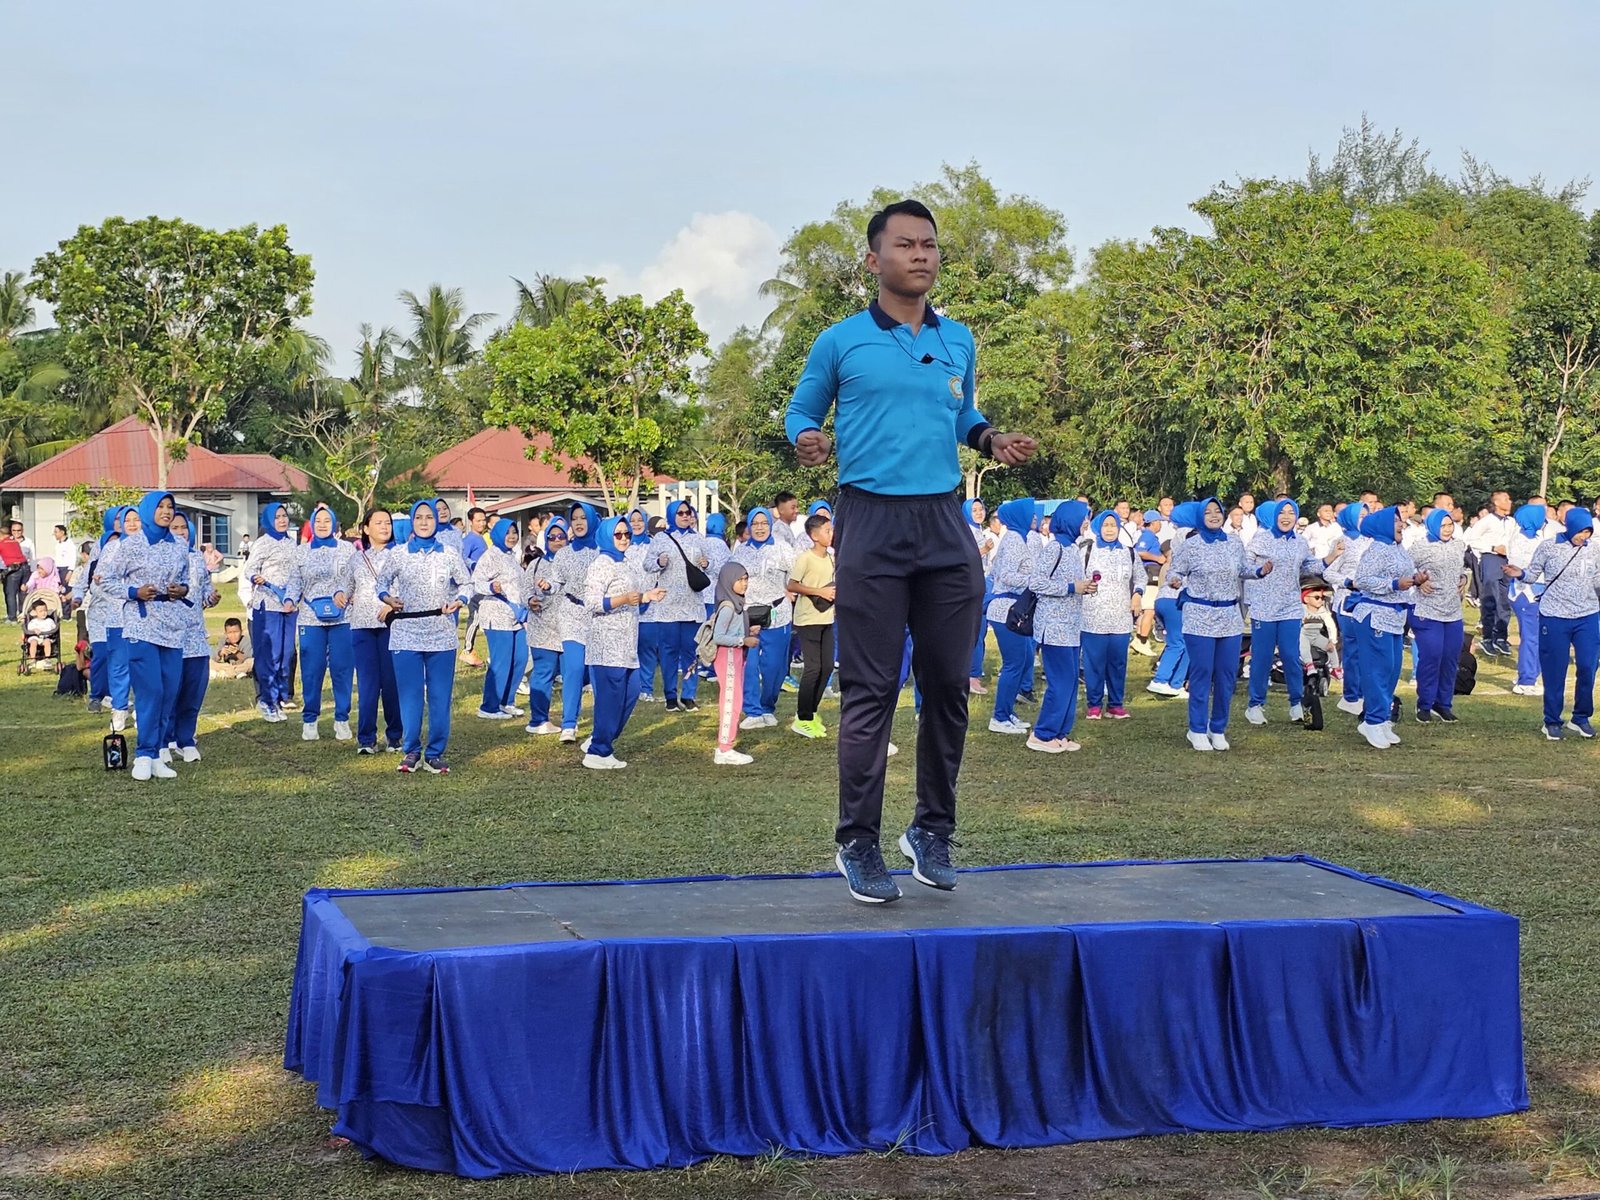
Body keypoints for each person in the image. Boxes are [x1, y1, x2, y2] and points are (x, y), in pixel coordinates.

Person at [785, 198, 1037, 903]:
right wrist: (807, 437)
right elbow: (802, 409)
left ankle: (931, 830)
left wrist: (991, 439)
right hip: (870, 519)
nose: (921, 254)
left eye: (929, 244)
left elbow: (963, 413)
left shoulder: (959, 339)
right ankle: (858, 842)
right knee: (871, 689)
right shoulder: (840, 341)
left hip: (944, 520)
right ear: (874, 260)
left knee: (950, 684)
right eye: (905, 244)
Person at [377, 499, 473, 774]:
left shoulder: (449, 553)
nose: (423, 522)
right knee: (411, 696)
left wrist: (460, 600)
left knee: (440, 697)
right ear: (411, 521)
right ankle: (411, 751)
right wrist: (388, 598)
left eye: (428, 517)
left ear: (436, 521)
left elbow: (467, 582)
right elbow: (381, 582)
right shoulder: (399, 553)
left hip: (440, 632)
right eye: (418, 517)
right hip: (406, 632)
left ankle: (434, 753)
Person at [1167, 498, 1270, 752]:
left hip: (1229, 617)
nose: (1214, 515)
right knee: (1202, 672)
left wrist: (1259, 571)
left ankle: (1218, 727)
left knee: (1226, 675)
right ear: (1200, 517)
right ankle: (1197, 728)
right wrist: (1175, 581)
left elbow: (1243, 569)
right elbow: (1174, 571)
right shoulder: (1191, 544)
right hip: (1199, 616)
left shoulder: (1234, 543)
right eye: (1208, 512)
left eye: (1217, 511)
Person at [115, 491, 192, 781]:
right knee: (151, 690)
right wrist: (133, 592)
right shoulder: (130, 544)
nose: (166, 511)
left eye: (170, 506)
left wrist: (182, 590)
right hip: (141, 622)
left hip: (172, 624)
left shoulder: (180, 545)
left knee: (169, 691)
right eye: (160, 506)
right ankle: (143, 754)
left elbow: (187, 580)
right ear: (148, 510)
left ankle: (158, 752)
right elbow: (104, 580)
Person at [1505, 507, 1599, 740]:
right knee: (1555, 670)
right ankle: (1552, 720)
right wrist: (1519, 574)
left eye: (1588, 532)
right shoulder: (1549, 546)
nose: (1583, 536)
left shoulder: (1594, 549)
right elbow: (1532, 574)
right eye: (1580, 531)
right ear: (1570, 527)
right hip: (1555, 615)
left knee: (1588, 666)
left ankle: (1581, 717)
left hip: (1587, 616)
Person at [580, 515, 664, 769]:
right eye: (618, 534)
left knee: (631, 692)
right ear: (607, 536)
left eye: (627, 534)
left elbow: (632, 597)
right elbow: (592, 603)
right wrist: (623, 599)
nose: (624, 538)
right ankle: (598, 752)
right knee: (611, 698)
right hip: (607, 644)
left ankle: (600, 738)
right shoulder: (601, 564)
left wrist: (646, 596)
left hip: (627, 643)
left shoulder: (625, 562)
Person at [1244, 499, 1338, 725]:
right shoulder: (1261, 538)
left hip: (1290, 607)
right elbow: (1244, 566)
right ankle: (1255, 705)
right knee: (1263, 657)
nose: (1286, 517)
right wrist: (1259, 570)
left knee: (1291, 655)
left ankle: (1297, 703)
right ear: (1275, 515)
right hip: (1264, 607)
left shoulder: (1300, 541)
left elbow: (1308, 567)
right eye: (1282, 512)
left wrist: (1331, 557)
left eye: (1291, 512)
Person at [1348, 506, 1425, 750]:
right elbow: (1363, 580)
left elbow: (1405, 575)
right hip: (1375, 615)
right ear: (1382, 525)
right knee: (1377, 671)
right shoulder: (1376, 549)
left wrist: (1416, 579)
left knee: (1391, 670)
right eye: (1395, 521)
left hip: (1395, 616)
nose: (1401, 524)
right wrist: (1393, 584)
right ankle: (1372, 720)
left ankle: (1381, 718)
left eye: (1400, 521)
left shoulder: (1398, 548)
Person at [1026, 500, 1091, 752]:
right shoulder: (1055, 547)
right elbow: (1036, 582)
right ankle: (1042, 734)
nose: (1085, 522)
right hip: (1054, 627)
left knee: (1071, 681)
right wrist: (1072, 587)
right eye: (1082, 517)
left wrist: (1084, 587)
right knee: (1060, 682)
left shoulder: (1073, 548)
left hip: (1071, 626)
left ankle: (1060, 732)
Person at [294, 503, 357, 742]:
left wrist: (348, 594)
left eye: (327, 521)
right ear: (312, 524)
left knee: (342, 668)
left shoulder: (347, 549)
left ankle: (342, 719)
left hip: (343, 617)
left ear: (334, 524)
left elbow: (354, 578)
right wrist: (289, 598)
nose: (322, 525)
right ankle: (310, 720)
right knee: (312, 669)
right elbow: (294, 580)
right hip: (310, 618)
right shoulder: (301, 551)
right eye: (318, 521)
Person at [161, 511, 218, 762]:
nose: (180, 531)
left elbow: (204, 593)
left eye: (183, 527)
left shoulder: (197, 558)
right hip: (168, 635)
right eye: (174, 527)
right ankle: (164, 740)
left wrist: (212, 598)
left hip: (195, 635)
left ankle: (186, 739)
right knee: (169, 690)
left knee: (194, 689)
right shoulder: (159, 556)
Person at [648, 500, 713, 712]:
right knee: (668, 652)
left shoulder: (699, 538)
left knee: (691, 651)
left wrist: (707, 564)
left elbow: (712, 565)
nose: (685, 516)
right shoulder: (661, 538)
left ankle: (688, 694)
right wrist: (659, 562)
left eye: (688, 512)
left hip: (692, 605)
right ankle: (670, 695)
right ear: (671, 516)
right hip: (668, 606)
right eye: (680, 513)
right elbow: (647, 564)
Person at [734, 506, 795, 728]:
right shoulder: (740, 551)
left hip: (777, 614)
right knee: (750, 665)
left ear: (770, 524)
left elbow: (794, 577)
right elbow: (732, 580)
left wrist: (790, 592)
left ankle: (768, 706)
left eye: (764, 523)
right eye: (755, 524)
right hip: (749, 615)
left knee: (774, 666)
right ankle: (752, 711)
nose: (760, 528)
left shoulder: (783, 548)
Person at [347, 509, 402, 753]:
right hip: (362, 627)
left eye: (387, 522)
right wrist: (340, 594)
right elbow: (346, 586)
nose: (384, 527)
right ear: (366, 528)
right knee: (367, 684)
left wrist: (391, 605)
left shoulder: (401, 555)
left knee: (391, 682)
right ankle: (366, 739)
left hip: (392, 626)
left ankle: (395, 736)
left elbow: (408, 587)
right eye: (378, 523)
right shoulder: (356, 559)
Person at [1410, 509, 1469, 723]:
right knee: (1431, 656)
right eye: (1442, 526)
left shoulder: (1458, 545)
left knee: (1450, 658)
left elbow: (1460, 570)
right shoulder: (1420, 546)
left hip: (1452, 610)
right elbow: (1403, 569)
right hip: (1427, 609)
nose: (1447, 529)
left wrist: (1463, 579)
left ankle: (1443, 704)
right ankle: (1424, 703)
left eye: (1450, 525)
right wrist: (1418, 580)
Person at [1081, 510, 1141, 720]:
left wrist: (1137, 594)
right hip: (1093, 617)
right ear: (1098, 527)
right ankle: (1094, 704)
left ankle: (1115, 704)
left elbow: (1140, 577)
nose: (1109, 529)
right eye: (1105, 525)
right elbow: (1075, 576)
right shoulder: (1087, 550)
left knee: (1118, 663)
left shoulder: (1128, 552)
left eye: (1113, 525)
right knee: (1094, 663)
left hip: (1120, 617)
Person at [984, 498, 1037, 735]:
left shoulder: (1016, 538)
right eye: (1031, 514)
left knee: (1023, 659)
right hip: (1007, 610)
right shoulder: (1015, 539)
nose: (1035, 518)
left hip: (1011, 608)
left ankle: (1007, 711)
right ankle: (1000, 717)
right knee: (1014, 663)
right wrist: (1035, 582)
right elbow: (1005, 575)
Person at [245, 503, 299, 722]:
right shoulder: (263, 542)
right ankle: (268, 700)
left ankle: (280, 697)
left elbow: (297, 573)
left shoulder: (292, 543)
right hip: (268, 604)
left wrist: (292, 597)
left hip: (289, 605)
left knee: (287, 654)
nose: (282, 520)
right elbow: (249, 569)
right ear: (268, 520)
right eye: (277, 517)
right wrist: (256, 578)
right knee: (271, 654)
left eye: (284, 516)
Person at [552, 502, 601, 742]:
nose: (579, 522)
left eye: (583, 517)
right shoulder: (564, 553)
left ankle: (601, 725)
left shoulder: (604, 551)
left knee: (597, 671)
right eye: (575, 518)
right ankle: (569, 724)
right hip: (571, 613)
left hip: (598, 616)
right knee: (573, 669)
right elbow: (555, 582)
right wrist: (546, 587)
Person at [472, 518, 529, 720]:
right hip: (496, 615)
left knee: (520, 658)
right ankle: (489, 706)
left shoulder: (512, 556)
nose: (512, 536)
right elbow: (475, 582)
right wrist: (491, 587)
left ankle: (506, 701)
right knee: (501, 662)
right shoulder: (490, 556)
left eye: (514, 532)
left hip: (516, 617)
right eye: (507, 533)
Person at [788, 511, 837, 737]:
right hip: (808, 620)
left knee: (827, 667)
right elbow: (792, 585)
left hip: (827, 618)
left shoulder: (831, 557)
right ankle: (802, 717)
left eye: (831, 529)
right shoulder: (805, 558)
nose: (831, 534)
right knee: (813, 668)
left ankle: (811, 712)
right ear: (814, 535)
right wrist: (818, 592)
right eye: (827, 530)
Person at [1323, 501, 1372, 715]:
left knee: (1367, 648)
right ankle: (1350, 696)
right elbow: (1328, 572)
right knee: (1353, 649)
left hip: (1369, 600)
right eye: (1360, 516)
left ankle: (1363, 692)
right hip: (1348, 601)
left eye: (1366, 516)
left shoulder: (1373, 540)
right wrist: (1348, 582)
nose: (1364, 520)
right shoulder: (1342, 542)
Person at [519, 518, 566, 736]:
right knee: (543, 673)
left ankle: (569, 721)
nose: (557, 540)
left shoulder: (572, 562)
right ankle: (538, 720)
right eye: (552, 537)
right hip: (542, 628)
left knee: (571, 675)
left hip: (569, 628)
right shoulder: (537, 564)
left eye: (561, 536)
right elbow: (524, 589)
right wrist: (530, 599)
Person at [709, 562, 758, 765]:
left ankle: (726, 745)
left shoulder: (736, 604)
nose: (744, 583)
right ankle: (724, 748)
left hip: (735, 657)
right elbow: (718, 636)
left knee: (734, 700)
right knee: (731, 701)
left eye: (746, 579)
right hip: (728, 656)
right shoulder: (728, 607)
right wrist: (742, 640)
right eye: (739, 579)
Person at [1465, 491, 1516, 656]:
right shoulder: (1486, 521)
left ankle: (1501, 636)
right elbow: (1472, 540)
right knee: (1490, 598)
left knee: (1504, 600)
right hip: (1491, 558)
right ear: (1496, 502)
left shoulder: (1512, 522)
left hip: (1508, 560)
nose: (1510, 501)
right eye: (1506, 499)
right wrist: (1492, 547)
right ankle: (1487, 637)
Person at [1507, 503, 1549, 696]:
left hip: (1539, 591)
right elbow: (1521, 567)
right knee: (1530, 637)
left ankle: (1530, 674)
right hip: (1526, 593)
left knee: (1538, 637)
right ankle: (1526, 680)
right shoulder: (1520, 540)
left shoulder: (1538, 537)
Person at [964, 498, 994, 693]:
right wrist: (984, 550)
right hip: (972, 586)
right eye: (974, 510)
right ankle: (971, 676)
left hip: (984, 583)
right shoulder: (965, 531)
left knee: (981, 631)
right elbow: (965, 557)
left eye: (980, 509)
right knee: (975, 632)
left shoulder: (979, 531)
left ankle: (974, 674)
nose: (979, 513)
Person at [460, 506, 492, 667]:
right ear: (471, 522)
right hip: (475, 585)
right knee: (476, 617)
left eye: (483, 520)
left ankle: (471, 651)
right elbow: (462, 557)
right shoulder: (470, 539)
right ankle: (467, 650)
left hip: (483, 584)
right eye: (478, 520)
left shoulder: (481, 538)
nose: (481, 523)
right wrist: (474, 566)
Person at [0, 521, 27, 621]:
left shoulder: (2, 543)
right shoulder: (15, 542)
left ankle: (12, 618)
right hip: (24, 567)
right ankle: (22, 614)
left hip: (14, 569)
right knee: (22, 593)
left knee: (10, 593)